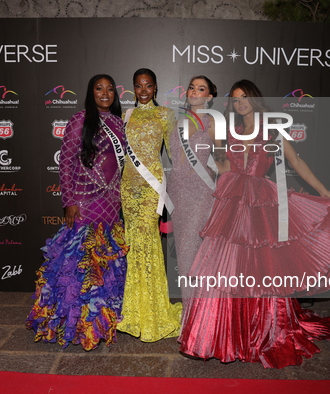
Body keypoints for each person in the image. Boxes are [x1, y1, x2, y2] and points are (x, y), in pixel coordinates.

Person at [179, 80, 330, 368]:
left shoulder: (272, 131)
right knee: (225, 266)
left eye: (245, 98)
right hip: (231, 200)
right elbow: (221, 165)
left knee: (261, 266)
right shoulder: (226, 130)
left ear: (256, 100)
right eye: (236, 99)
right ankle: (216, 334)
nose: (240, 103)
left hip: (261, 201)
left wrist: (324, 191)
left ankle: (265, 331)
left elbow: (297, 163)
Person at [26, 74, 128, 351]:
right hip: (83, 199)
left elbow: (121, 166)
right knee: (77, 263)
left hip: (111, 201)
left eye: (109, 89)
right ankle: (72, 322)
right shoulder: (79, 120)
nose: (105, 93)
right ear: (90, 92)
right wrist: (69, 200)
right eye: (99, 88)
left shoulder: (119, 123)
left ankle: (100, 320)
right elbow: (66, 163)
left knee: (105, 261)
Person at [117, 68, 182, 342]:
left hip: (151, 186)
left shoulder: (165, 115)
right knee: (133, 242)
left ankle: (153, 309)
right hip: (127, 187)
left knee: (149, 242)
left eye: (148, 85)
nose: (143, 90)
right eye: (138, 85)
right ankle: (132, 308)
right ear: (134, 88)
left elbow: (175, 154)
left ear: (155, 88)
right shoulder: (125, 116)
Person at [167, 76, 218, 292]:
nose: (194, 92)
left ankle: (199, 315)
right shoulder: (177, 121)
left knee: (192, 253)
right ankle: (191, 314)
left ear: (209, 96)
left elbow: (224, 158)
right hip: (177, 192)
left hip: (201, 193)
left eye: (201, 88)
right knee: (183, 253)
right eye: (191, 87)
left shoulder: (213, 122)